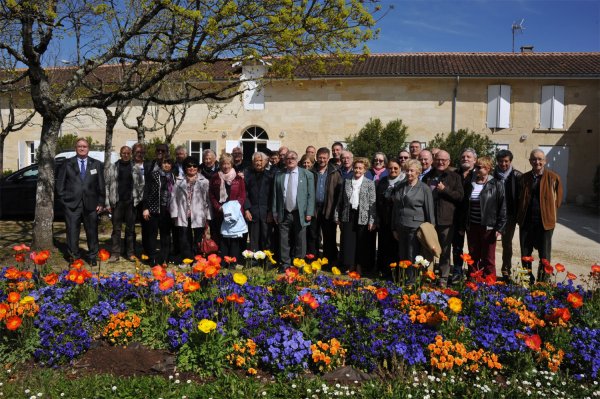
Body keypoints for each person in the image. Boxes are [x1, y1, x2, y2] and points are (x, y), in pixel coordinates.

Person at [56, 138, 105, 265]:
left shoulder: (97, 164)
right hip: (72, 204)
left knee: (92, 231)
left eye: (84, 146)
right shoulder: (67, 164)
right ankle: (74, 257)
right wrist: (64, 201)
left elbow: (101, 185)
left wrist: (101, 202)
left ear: (88, 148)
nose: (82, 148)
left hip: (92, 204)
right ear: (75, 148)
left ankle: (92, 256)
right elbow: (60, 185)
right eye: (79, 146)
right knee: (72, 231)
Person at [517, 149, 563, 283]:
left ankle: (542, 282)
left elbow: (558, 200)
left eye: (540, 159)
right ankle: (526, 281)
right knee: (525, 254)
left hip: (545, 223)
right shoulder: (524, 178)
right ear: (530, 161)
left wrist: (549, 212)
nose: (537, 162)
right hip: (526, 222)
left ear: (545, 161)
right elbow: (519, 198)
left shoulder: (553, 178)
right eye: (534, 159)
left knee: (544, 255)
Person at [460, 156, 506, 279]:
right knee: (473, 256)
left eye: (479, 167)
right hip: (473, 226)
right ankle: (473, 280)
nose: (476, 170)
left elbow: (503, 207)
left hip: (488, 227)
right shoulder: (471, 183)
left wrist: (499, 227)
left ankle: (489, 284)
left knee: (488, 258)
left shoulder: (496, 184)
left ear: (488, 168)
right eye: (476, 167)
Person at [423, 150, 464, 287]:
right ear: (434, 160)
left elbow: (459, 196)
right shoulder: (428, 176)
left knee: (445, 251)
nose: (441, 162)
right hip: (429, 219)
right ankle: (428, 276)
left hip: (446, 220)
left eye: (444, 160)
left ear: (449, 162)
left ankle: (443, 277)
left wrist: (445, 190)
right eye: (438, 159)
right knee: (429, 248)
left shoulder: (455, 177)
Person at [391, 159, 435, 285]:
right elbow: (396, 208)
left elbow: (429, 210)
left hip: (415, 226)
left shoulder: (424, 188)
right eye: (407, 170)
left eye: (412, 171)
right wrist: (393, 227)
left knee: (412, 254)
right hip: (401, 224)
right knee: (402, 253)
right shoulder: (400, 186)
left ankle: (412, 281)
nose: (409, 173)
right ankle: (403, 278)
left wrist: (430, 230)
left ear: (418, 172)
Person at [272, 151, 315, 268]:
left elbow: (311, 195)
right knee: (283, 240)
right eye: (288, 158)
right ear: (285, 160)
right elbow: (275, 195)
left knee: (300, 240)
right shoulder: (279, 175)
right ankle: (285, 264)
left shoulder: (307, 174)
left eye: (293, 158)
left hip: (300, 213)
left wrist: (309, 212)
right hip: (284, 212)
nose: (290, 160)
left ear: (297, 160)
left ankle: (299, 264)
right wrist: (275, 212)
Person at [335, 157, 376, 274]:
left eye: (360, 168)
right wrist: (337, 216)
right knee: (349, 241)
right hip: (348, 215)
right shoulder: (346, 182)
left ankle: (360, 265)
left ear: (365, 170)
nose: (357, 170)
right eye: (356, 168)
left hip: (363, 215)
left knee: (361, 242)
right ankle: (350, 264)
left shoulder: (370, 183)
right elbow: (340, 201)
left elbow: (373, 204)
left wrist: (372, 220)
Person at [170, 156, 211, 262]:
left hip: (198, 214)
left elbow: (208, 200)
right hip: (183, 214)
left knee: (198, 239)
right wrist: (174, 214)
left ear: (198, 167)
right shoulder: (179, 181)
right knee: (184, 238)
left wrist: (208, 216)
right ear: (184, 168)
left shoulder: (204, 181)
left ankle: (197, 259)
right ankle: (187, 259)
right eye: (189, 166)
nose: (192, 168)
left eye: (194, 166)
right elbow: (174, 198)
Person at [105, 146, 142, 262]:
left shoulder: (135, 168)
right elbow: (106, 185)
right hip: (117, 203)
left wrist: (138, 199)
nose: (126, 155)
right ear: (120, 154)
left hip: (131, 203)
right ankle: (115, 253)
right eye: (123, 153)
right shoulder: (113, 167)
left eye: (128, 153)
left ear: (131, 154)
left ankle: (130, 253)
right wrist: (107, 203)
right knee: (116, 229)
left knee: (130, 230)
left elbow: (141, 185)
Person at [209, 153, 246, 261]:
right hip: (220, 212)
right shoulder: (215, 177)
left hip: (235, 213)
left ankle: (233, 260)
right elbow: (211, 194)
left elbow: (242, 194)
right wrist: (218, 207)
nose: (226, 166)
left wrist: (236, 207)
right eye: (223, 163)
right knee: (223, 237)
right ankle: (224, 260)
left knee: (234, 237)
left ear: (231, 164)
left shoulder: (238, 178)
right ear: (220, 164)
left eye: (228, 163)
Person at [494, 149, 522, 282]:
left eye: (506, 161)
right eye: (501, 161)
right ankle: (488, 269)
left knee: (507, 244)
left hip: (509, 215)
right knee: (489, 243)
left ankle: (506, 270)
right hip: (493, 214)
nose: (503, 164)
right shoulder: (492, 174)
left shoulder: (517, 176)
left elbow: (521, 197)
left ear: (510, 161)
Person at [451, 148, 477, 283]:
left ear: (474, 160)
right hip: (457, 216)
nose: (465, 159)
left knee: (474, 247)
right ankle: (457, 271)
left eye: (468, 157)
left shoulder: (479, 174)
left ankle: (473, 272)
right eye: (463, 157)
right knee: (457, 246)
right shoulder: (454, 174)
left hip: (473, 216)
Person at [142, 157, 175, 265]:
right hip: (154, 208)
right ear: (161, 164)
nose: (167, 165)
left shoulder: (173, 177)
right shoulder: (153, 175)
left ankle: (164, 258)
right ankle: (152, 258)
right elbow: (146, 191)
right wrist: (145, 208)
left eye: (169, 163)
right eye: (165, 162)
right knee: (152, 235)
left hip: (167, 210)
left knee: (165, 235)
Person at [375, 158, 405, 279]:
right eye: (390, 168)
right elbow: (377, 201)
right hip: (384, 220)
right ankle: (384, 270)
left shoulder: (403, 182)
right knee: (383, 246)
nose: (392, 170)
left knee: (395, 247)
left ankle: (396, 273)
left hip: (397, 221)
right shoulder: (383, 182)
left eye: (395, 168)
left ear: (400, 169)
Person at [312, 147, 342, 263]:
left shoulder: (335, 172)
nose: (322, 160)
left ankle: (329, 260)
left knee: (329, 235)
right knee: (313, 235)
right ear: (316, 157)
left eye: (324, 158)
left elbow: (339, 192)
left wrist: (336, 210)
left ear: (328, 158)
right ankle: (313, 258)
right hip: (314, 208)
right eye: (320, 157)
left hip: (328, 207)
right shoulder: (311, 171)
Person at [244, 152, 274, 251]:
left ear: (265, 162)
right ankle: (255, 259)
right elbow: (245, 194)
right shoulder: (248, 176)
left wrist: (270, 212)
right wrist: (247, 209)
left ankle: (266, 259)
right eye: (256, 160)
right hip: (253, 211)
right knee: (254, 237)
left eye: (261, 160)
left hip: (266, 211)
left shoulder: (270, 176)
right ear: (253, 162)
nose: (258, 163)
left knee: (267, 236)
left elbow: (273, 195)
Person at [300, 154, 319, 256]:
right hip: (301, 208)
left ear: (312, 164)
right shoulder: (299, 173)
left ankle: (312, 255)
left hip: (312, 208)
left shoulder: (314, 175)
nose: (306, 165)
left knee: (312, 233)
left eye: (308, 163)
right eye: (304, 162)